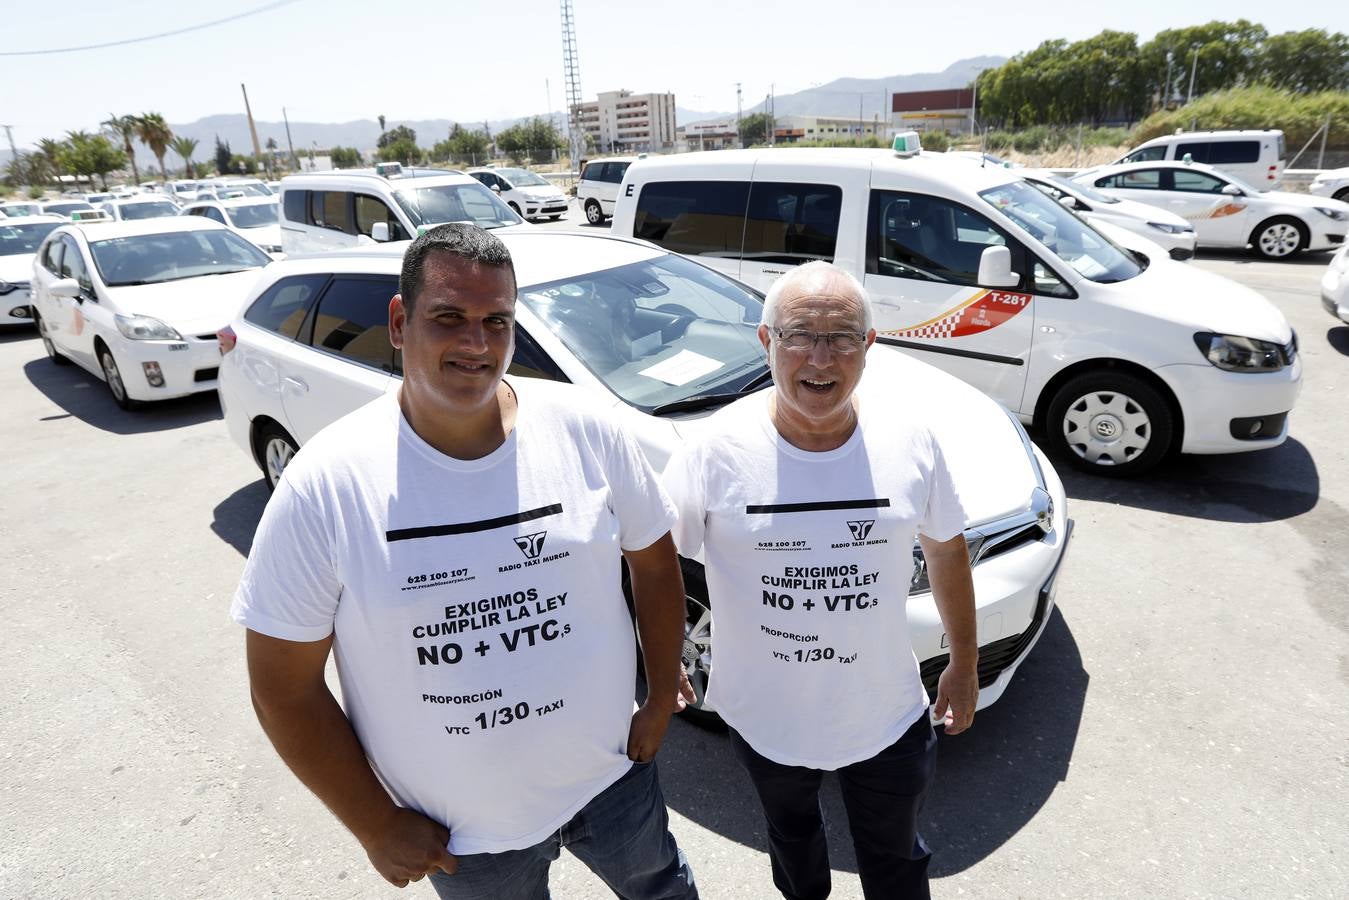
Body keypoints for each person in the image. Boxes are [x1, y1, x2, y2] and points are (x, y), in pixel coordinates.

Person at [232, 223, 698, 899]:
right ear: (399, 322)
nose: (477, 344)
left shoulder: (585, 429)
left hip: (614, 778)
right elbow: (282, 686)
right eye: (448, 317)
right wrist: (372, 823)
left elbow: (653, 563)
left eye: (497, 321)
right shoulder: (326, 486)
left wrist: (657, 699)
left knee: (664, 890)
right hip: (462, 837)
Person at [662, 260, 978, 900]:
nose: (821, 357)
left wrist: (965, 662)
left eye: (842, 337)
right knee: (796, 850)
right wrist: (661, 654)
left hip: (885, 715)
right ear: (766, 341)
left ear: (869, 346)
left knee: (897, 864)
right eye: (800, 333)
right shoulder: (713, 449)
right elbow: (658, 561)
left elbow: (947, 551)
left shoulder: (911, 440)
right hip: (765, 718)